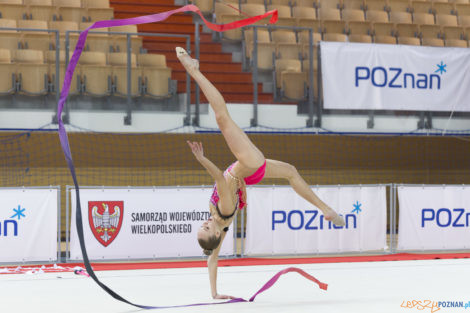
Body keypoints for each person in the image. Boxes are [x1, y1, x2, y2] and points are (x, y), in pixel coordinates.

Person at [176, 47, 344, 299]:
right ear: (214, 232)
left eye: (201, 226)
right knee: (222, 117)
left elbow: (212, 259)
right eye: (205, 228)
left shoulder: (219, 231)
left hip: (249, 174)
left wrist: (214, 293)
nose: (204, 223)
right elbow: (220, 178)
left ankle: (326, 209)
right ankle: (194, 70)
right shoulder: (222, 210)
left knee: (290, 172)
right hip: (247, 165)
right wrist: (201, 158)